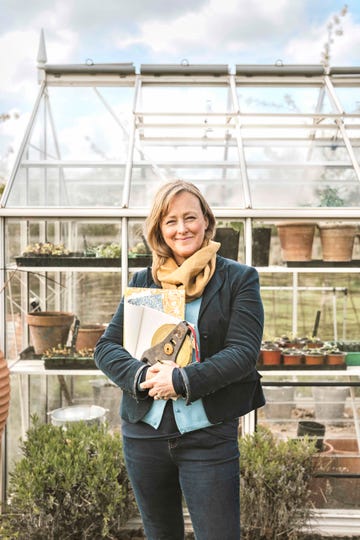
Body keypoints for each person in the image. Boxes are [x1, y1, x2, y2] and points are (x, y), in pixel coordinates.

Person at [94, 179, 265, 540]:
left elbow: (244, 352)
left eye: (190, 217)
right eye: (170, 220)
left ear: (206, 221)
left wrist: (182, 381)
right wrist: (142, 374)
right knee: (160, 534)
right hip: (145, 436)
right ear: (159, 228)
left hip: (207, 435)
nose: (181, 228)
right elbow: (106, 346)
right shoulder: (146, 280)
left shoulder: (238, 279)